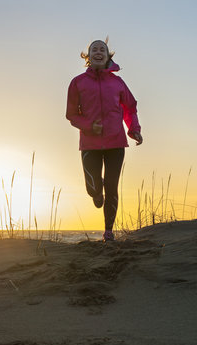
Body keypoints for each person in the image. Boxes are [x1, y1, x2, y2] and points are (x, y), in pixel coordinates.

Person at [66, 39, 143, 242]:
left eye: (103, 49)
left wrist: (133, 129)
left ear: (108, 56)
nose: (98, 52)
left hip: (115, 144)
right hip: (89, 144)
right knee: (93, 187)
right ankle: (96, 193)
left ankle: (108, 232)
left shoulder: (117, 83)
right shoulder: (77, 82)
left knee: (112, 187)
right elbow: (72, 114)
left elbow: (130, 107)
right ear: (88, 57)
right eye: (94, 49)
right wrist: (90, 126)